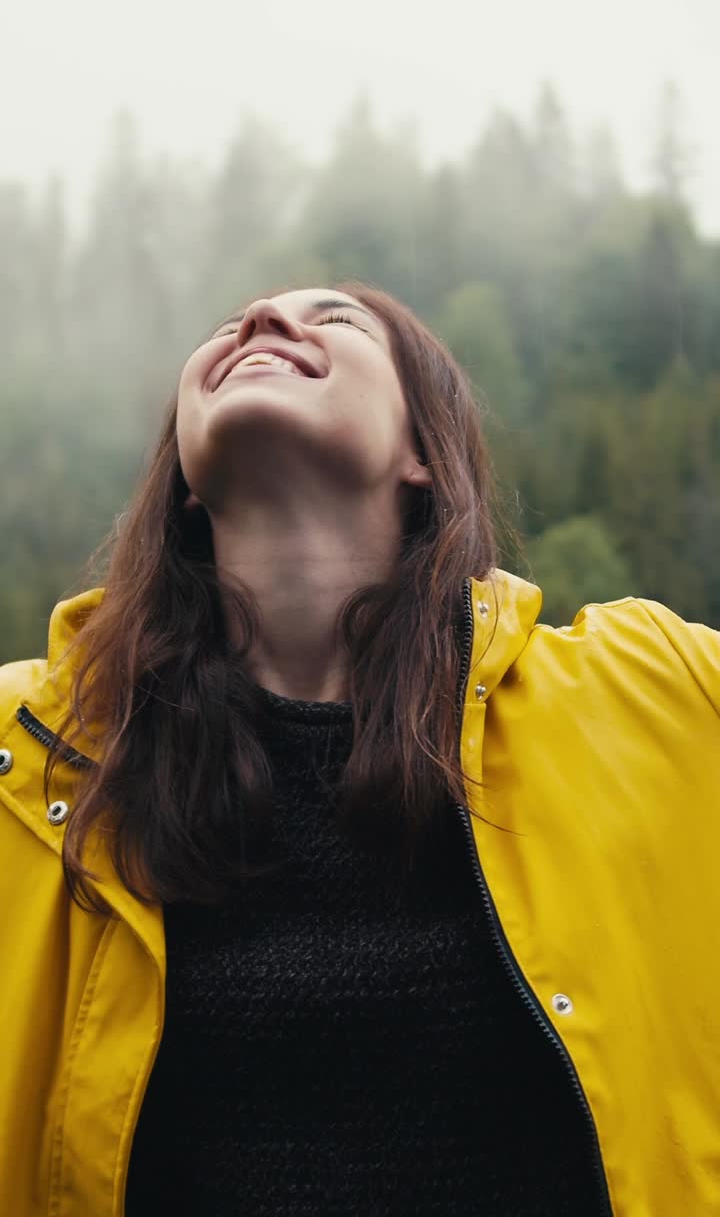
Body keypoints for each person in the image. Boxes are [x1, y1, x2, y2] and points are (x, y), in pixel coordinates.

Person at [0, 281, 718, 1217]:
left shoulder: (659, 691)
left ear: (423, 452)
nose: (260, 322)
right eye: (229, 327)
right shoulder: (28, 753)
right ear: (183, 474)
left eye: (334, 319)